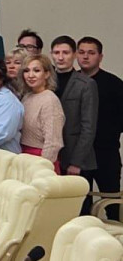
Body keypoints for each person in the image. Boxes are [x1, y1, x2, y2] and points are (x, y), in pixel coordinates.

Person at [77, 36, 122, 218]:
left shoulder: (114, 84)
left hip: (106, 153)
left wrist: (108, 134)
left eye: (91, 53)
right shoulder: (72, 82)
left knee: (112, 203)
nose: (85, 56)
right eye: (81, 52)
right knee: (81, 205)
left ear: (100, 57)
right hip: (79, 154)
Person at [50, 35, 98, 180]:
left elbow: (88, 126)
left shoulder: (86, 84)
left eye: (65, 53)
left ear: (75, 55)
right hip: (51, 153)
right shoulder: (46, 81)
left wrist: (77, 162)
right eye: (56, 53)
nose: (60, 57)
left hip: (74, 156)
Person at [20, 54, 65, 168]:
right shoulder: (27, 97)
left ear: (47, 74)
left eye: (36, 70)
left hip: (41, 160)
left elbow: (53, 142)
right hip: (24, 157)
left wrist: (42, 167)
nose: (30, 75)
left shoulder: (50, 99)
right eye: (26, 71)